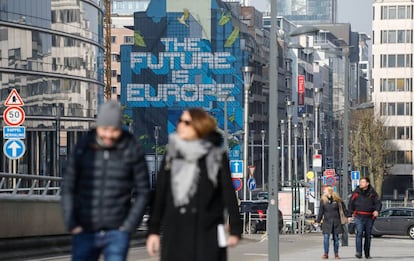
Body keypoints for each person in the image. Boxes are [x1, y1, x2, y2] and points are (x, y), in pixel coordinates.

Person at [146, 108, 243, 261]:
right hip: (176, 231)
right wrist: (153, 230)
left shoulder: (216, 156)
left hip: (207, 231)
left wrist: (236, 228)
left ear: (199, 126)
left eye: (186, 122)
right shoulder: (172, 154)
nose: (179, 125)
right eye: (180, 121)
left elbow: (228, 193)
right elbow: (160, 194)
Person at [61, 101, 150, 261]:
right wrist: (71, 222)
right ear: (98, 126)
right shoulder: (83, 147)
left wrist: (128, 226)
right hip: (85, 228)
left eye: (113, 130)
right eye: (104, 129)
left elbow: (143, 191)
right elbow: (68, 186)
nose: (108, 135)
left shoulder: (131, 148)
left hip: (117, 230)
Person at [348, 177, 382, 259]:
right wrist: (349, 215)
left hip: (369, 216)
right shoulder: (356, 193)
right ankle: (358, 252)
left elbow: (378, 203)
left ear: (367, 183)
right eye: (360, 182)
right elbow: (350, 204)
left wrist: (377, 210)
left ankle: (367, 253)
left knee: (368, 235)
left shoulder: (372, 193)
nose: (361, 184)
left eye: (363, 182)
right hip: (358, 216)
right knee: (359, 233)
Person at [315, 186, 347, 259]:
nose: (324, 192)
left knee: (336, 238)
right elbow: (321, 212)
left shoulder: (338, 200)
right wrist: (318, 221)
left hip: (336, 222)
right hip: (327, 222)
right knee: (326, 238)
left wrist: (349, 215)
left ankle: (336, 254)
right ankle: (326, 254)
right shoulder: (323, 200)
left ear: (329, 191)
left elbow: (344, 210)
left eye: (325, 190)